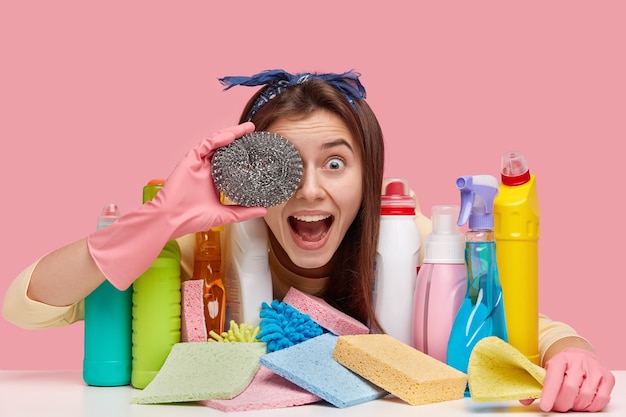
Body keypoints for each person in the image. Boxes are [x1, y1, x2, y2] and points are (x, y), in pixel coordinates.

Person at [2, 69, 614, 412]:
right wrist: (159, 221)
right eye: (284, 166)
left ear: (368, 175)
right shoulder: (205, 251)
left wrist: (575, 353)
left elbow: (537, 328)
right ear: (249, 172)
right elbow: (28, 305)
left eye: (336, 164)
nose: (310, 191)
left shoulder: (411, 244)